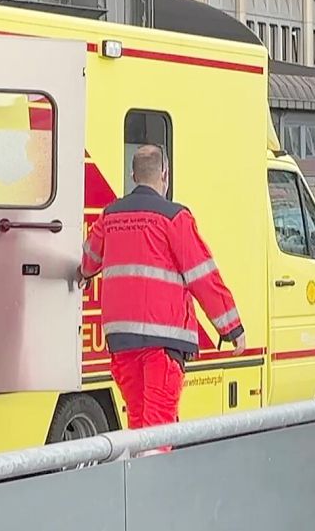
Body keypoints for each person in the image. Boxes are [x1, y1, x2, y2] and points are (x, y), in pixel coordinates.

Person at [77, 145, 246, 455]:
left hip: (122, 340)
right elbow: (202, 275)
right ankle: (152, 494)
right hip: (163, 340)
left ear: (133, 176)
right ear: (165, 175)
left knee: (139, 425)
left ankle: (137, 492)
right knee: (158, 428)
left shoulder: (111, 216)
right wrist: (231, 326)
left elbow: (88, 260)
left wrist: (83, 275)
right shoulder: (174, 217)